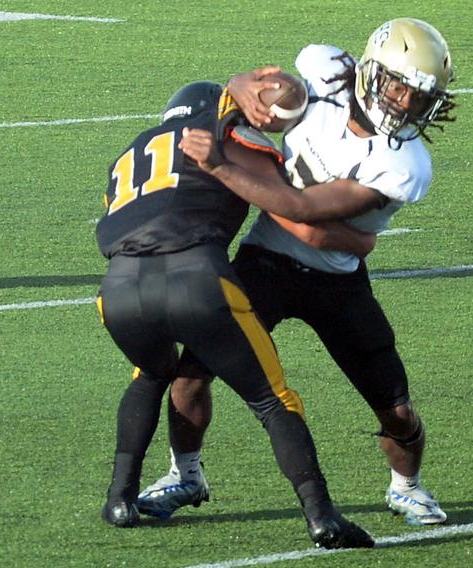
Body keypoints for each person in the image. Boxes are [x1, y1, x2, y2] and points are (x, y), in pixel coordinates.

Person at [137, 17, 457, 527]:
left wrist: (227, 169)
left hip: (337, 279)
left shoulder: (406, 164)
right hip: (266, 259)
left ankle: (407, 486)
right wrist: (243, 85)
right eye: (398, 86)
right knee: (192, 373)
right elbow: (253, 91)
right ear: (371, 72)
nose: (403, 103)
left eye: (419, 98)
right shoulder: (323, 70)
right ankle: (185, 472)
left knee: (394, 408)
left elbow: (305, 212)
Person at [93, 79, 377, 548]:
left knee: (149, 373)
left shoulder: (131, 152)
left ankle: (120, 498)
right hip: (195, 276)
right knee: (272, 400)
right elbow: (289, 204)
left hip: (119, 289)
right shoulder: (226, 135)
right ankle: (321, 515)